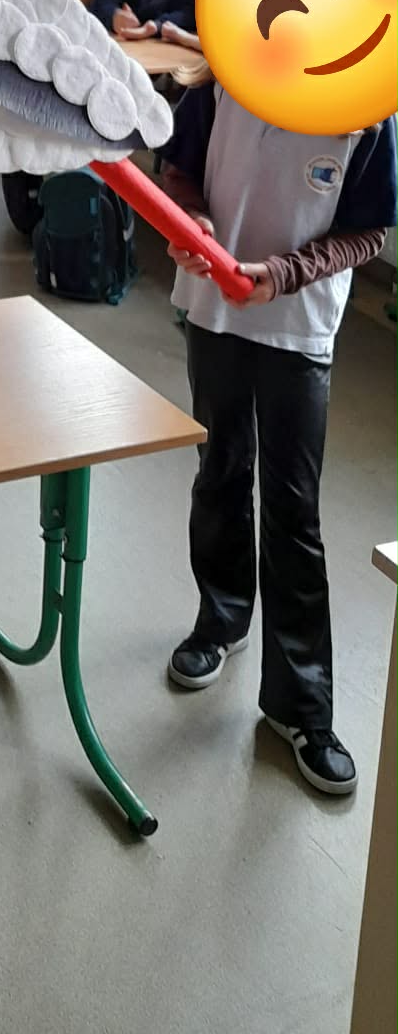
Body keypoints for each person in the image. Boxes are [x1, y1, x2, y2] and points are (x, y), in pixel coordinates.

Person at [159, 73, 398, 795]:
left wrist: (286, 274)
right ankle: (221, 620)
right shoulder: (226, 80)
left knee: (294, 510)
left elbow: (368, 230)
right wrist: (191, 222)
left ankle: (302, 707)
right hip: (214, 314)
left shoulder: (367, 108)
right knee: (220, 470)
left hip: (300, 328)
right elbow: (179, 169)